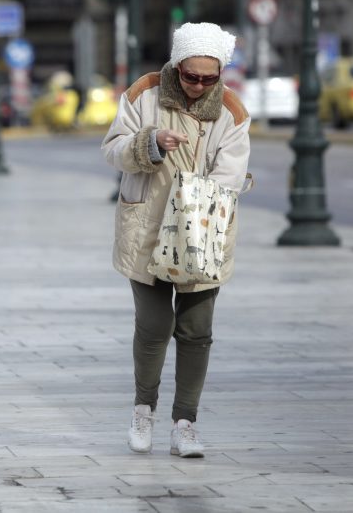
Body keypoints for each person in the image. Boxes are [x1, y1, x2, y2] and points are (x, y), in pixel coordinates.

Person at [102, 22, 251, 458]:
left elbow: (232, 174)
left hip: (203, 233)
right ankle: (142, 410)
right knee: (153, 326)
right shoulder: (144, 93)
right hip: (146, 229)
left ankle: (185, 423)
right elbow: (112, 149)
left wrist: (196, 198)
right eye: (191, 76)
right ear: (176, 65)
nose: (199, 85)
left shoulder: (232, 111)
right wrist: (150, 143)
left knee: (196, 330)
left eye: (209, 78)